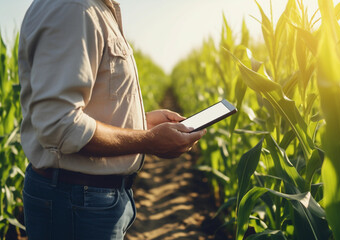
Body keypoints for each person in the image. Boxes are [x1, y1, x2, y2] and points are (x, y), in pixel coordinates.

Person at [18, 0, 206, 239]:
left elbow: (90, 107)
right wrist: (147, 141)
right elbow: (59, 126)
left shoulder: (95, 9)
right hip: (77, 203)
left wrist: (141, 123)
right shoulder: (74, 9)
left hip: (88, 201)